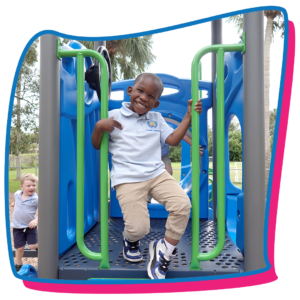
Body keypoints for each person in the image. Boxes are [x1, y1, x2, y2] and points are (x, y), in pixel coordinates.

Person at [91, 73, 202, 279]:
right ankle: (130, 239)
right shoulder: (114, 114)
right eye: (140, 91)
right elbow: (97, 145)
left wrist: (187, 116)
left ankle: (164, 250)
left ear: (156, 103)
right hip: (127, 179)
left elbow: (173, 140)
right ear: (130, 91)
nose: (144, 98)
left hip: (156, 174)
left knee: (182, 205)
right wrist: (99, 127)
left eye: (151, 96)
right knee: (139, 229)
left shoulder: (156, 119)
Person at [11, 173, 38, 272]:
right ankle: (18, 264)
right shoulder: (17, 193)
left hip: (30, 227)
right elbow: (16, 198)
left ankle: (39, 245)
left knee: (32, 246)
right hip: (17, 227)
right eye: (28, 186)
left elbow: (43, 211)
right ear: (22, 187)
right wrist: (15, 203)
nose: (32, 188)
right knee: (19, 248)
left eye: (34, 185)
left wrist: (36, 220)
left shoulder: (36, 199)